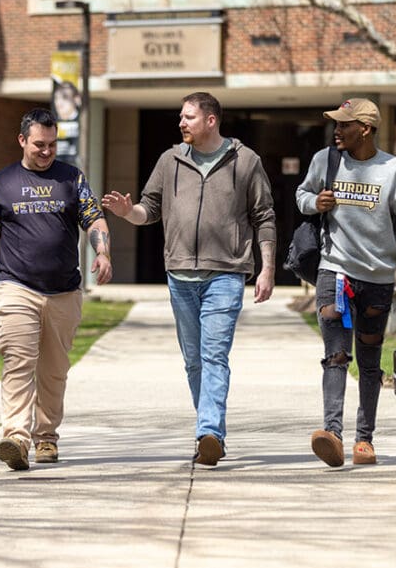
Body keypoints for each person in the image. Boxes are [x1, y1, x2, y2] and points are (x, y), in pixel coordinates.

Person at [103, 92, 276, 466]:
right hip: (179, 274)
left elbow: (264, 217)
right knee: (194, 361)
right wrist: (125, 211)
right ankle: (210, 430)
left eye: (189, 117)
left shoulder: (245, 161)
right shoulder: (170, 160)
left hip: (226, 273)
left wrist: (267, 268)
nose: (182, 123)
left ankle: (209, 432)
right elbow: (148, 210)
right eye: (181, 117)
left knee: (214, 355)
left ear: (211, 120)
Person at [0, 108, 112, 471]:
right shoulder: (2, 182)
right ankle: (15, 438)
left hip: (64, 291)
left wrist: (102, 251)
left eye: (53, 144)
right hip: (15, 287)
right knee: (18, 362)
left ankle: (46, 439)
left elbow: (94, 218)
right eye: (39, 144)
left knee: (53, 372)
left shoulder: (71, 178)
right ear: (22, 140)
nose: (47, 151)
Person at [296, 98, 396, 467]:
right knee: (336, 353)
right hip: (334, 271)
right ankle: (332, 433)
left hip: (378, 281)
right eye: (336, 124)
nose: (337, 130)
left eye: (344, 125)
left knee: (369, 361)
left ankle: (364, 441)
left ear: (365, 129)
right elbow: (301, 194)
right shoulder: (326, 161)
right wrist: (314, 202)